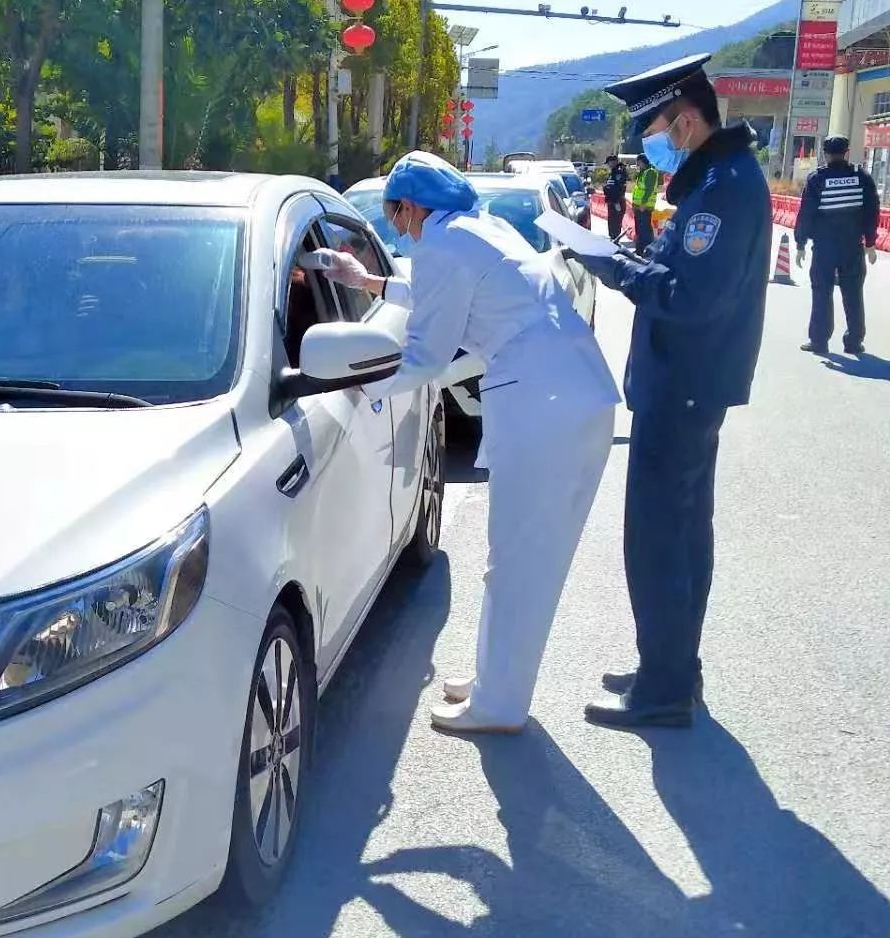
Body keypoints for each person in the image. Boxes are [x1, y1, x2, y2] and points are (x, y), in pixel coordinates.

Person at [323, 150, 619, 736]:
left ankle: (499, 705)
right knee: (519, 561)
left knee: (517, 563)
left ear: (408, 207)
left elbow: (425, 357)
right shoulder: (479, 229)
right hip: (573, 400)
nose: (395, 227)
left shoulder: (442, 245)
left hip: (544, 412)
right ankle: (494, 685)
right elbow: (448, 295)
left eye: (393, 215)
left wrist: (353, 382)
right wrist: (367, 282)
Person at [570, 55, 770, 729]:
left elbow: (688, 298)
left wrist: (613, 264)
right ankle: (670, 667)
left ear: (686, 120)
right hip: (685, 383)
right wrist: (634, 255)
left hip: (684, 384)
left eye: (653, 128)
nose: (649, 144)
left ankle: (662, 690)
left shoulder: (723, 188)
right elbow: (679, 268)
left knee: (660, 539)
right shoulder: (714, 180)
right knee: (679, 535)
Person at [795, 134, 879, 356]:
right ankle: (854, 342)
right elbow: (872, 211)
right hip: (853, 247)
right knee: (853, 293)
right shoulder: (861, 177)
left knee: (821, 292)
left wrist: (800, 243)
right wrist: (870, 243)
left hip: (824, 248)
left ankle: (819, 341)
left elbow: (806, 214)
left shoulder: (817, 179)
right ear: (847, 152)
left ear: (825, 153)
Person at [631, 154, 660, 256]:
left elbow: (649, 189)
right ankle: (639, 250)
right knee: (639, 229)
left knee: (645, 229)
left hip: (645, 206)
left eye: (638, 162)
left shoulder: (650, 172)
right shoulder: (643, 173)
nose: (637, 164)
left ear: (643, 161)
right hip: (638, 206)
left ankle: (648, 251)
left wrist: (643, 203)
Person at [603, 154, 628, 242]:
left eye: (609, 163)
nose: (608, 165)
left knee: (615, 223)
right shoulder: (613, 172)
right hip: (612, 201)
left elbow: (618, 188)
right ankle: (613, 240)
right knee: (611, 222)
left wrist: (616, 201)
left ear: (613, 162)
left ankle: (615, 241)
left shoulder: (619, 172)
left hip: (617, 201)